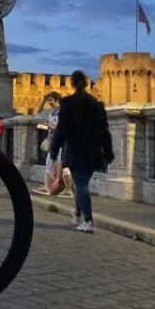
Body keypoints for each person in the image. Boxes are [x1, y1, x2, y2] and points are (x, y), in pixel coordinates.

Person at [49, 70, 114, 233]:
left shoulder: (67, 103)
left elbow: (61, 130)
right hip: (93, 151)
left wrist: (53, 151)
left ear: (72, 83)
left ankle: (89, 220)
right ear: (86, 83)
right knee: (80, 183)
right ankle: (77, 215)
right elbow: (104, 131)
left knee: (81, 185)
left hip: (76, 150)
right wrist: (108, 152)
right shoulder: (96, 104)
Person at [34, 92, 73, 197]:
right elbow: (38, 112)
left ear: (57, 100)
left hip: (62, 142)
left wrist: (50, 127)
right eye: (48, 100)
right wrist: (43, 99)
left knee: (64, 166)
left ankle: (68, 190)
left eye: (50, 100)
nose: (49, 102)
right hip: (53, 141)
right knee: (48, 164)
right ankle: (46, 187)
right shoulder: (52, 112)